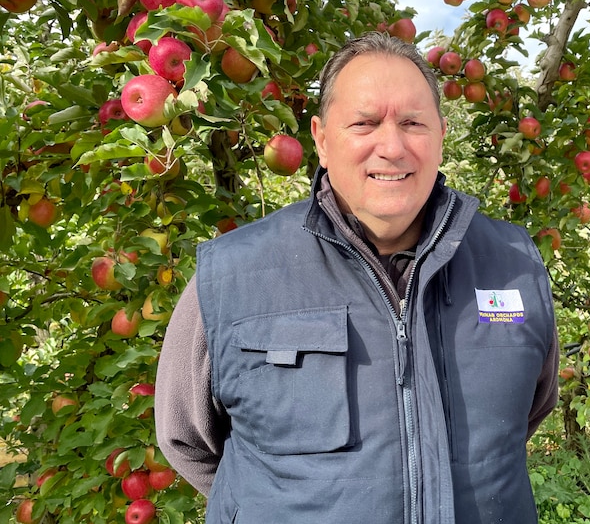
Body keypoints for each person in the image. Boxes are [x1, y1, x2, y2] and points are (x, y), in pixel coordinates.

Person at [154, 31, 559, 524]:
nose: (391, 146)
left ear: (441, 136)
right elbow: (187, 440)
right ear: (322, 140)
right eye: (364, 123)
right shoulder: (233, 274)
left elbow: (526, 415)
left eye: (413, 123)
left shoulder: (514, 263)